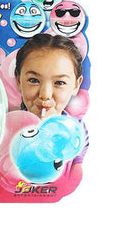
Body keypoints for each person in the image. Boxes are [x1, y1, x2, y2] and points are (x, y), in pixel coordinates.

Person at [15, 33, 88, 164]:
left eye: (59, 83)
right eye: (33, 80)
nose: (45, 94)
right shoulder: (7, 129)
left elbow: (76, 170)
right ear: (18, 81)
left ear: (76, 85)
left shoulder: (78, 131)